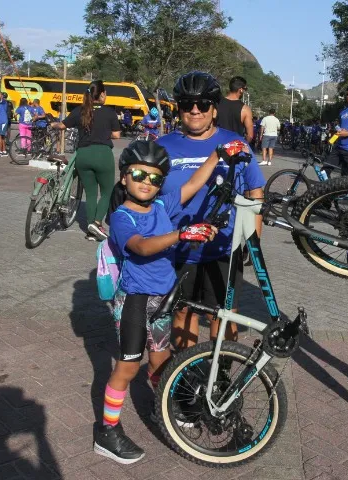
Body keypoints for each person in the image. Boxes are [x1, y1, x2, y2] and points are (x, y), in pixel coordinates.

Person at [96, 139, 249, 464]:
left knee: (160, 362)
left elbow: (194, 183)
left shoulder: (164, 205)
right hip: (135, 301)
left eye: (154, 177)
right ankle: (107, 432)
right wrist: (183, 234)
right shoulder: (123, 218)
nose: (146, 182)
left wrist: (218, 154)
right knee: (126, 367)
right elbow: (142, 247)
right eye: (139, 174)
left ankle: (163, 407)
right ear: (124, 177)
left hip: (163, 301)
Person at [157, 71, 266, 349]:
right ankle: (186, 375)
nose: (195, 111)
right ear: (179, 108)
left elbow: (255, 192)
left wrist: (253, 240)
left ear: (214, 109)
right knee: (183, 310)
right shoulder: (162, 146)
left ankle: (224, 375)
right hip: (179, 246)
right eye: (187, 104)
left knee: (225, 313)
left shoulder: (236, 143)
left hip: (224, 247)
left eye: (203, 104)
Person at [51, 80, 121, 241]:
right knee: (106, 192)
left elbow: (61, 125)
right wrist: (103, 133)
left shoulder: (80, 111)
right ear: (102, 94)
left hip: (83, 155)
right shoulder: (110, 112)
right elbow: (117, 135)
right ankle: (96, 223)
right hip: (102, 154)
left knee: (90, 193)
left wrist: (52, 123)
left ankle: (90, 231)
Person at [216, 76, 254, 143]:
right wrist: (243, 145)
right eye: (245, 89)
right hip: (234, 149)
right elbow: (250, 135)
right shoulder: (245, 109)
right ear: (241, 90)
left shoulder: (217, 103)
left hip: (216, 145)